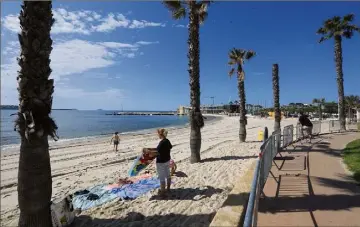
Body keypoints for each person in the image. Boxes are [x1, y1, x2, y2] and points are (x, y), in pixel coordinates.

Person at [145, 128, 173, 197]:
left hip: (161, 162)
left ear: (160, 134)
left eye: (158, 134)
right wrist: (150, 149)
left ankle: (163, 192)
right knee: (168, 175)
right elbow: (170, 147)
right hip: (167, 160)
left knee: (162, 177)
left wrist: (148, 152)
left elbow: (157, 152)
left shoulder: (162, 142)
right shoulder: (167, 141)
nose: (157, 135)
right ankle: (168, 189)